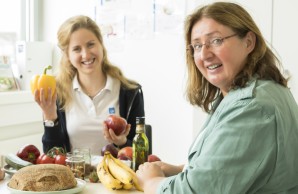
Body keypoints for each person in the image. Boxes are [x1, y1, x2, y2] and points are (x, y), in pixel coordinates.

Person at [136, 2, 298, 194]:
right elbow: (239, 169)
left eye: (216, 41)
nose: (204, 54)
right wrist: (182, 170)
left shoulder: (251, 108)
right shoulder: (254, 92)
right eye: (197, 46)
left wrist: (150, 182)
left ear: (248, 42)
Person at [33, 15, 145, 155]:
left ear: (101, 45)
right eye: (77, 49)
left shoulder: (130, 92)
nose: (86, 55)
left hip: (116, 175)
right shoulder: (58, 92)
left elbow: (142, 156)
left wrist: (122, 142)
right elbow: (53, 156)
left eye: (91, 44)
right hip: (73, 176)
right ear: (67, 55)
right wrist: (49, 116)